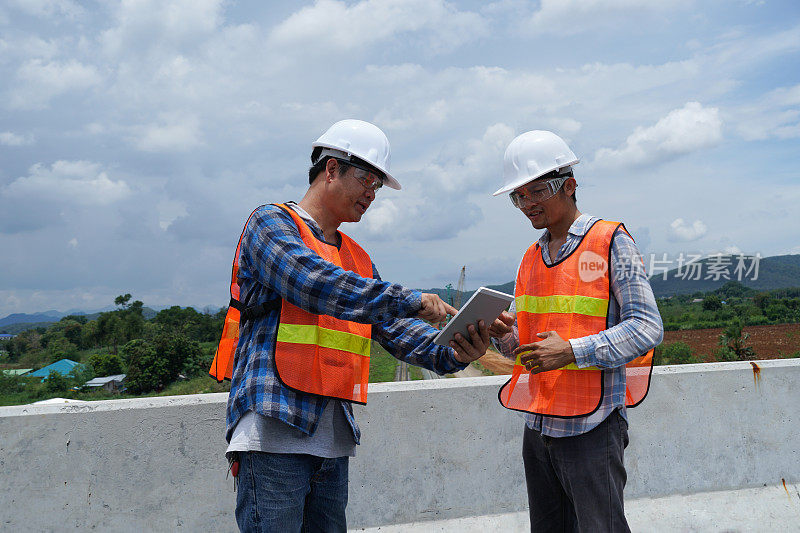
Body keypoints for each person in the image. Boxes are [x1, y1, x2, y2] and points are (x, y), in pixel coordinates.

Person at [210, 119, 491, 533]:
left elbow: (396, 331)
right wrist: (409, 299)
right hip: (273, 435)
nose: (371, 194)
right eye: (366, 180)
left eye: (377, 187)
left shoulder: (357, 258)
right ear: (330, 169)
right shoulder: (271, 224)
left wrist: (456, 347)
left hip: (332, 442)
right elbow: (312, 283)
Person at [487, 130, 663, 532]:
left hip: (593, 429)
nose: (527, 204)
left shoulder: (610, 242)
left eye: (536, 191)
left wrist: (573, 351)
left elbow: (647, 326)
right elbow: (528, 349)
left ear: (569, 185)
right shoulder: (530, 258)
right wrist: (499, 333)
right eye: (518, 196)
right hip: (539, 427)